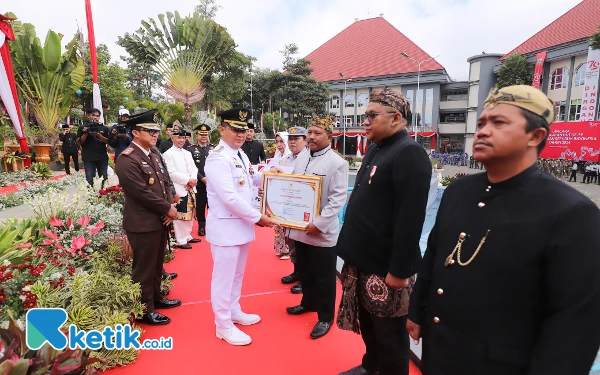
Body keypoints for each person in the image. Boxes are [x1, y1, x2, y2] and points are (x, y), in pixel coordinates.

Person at [407, 85, 600, 375]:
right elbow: (434, 255)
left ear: (535, 136)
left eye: (499, 123)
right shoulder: (459, 190)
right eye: (482, 123)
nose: (483, 131)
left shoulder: (571, 212)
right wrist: (417, 311)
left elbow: (574, 324)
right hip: (441, 351)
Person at [336, 88, 432, 375]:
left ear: (396, 118)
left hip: (386, 267)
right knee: (368, 324)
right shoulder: (378, 147)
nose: (365, 121)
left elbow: (410, 219)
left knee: (390, 334)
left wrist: (400, 271)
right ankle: (371, 367)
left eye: (371, 116)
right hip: (363, 259)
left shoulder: (409, 153)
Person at [204, 107, 276, 346]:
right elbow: (229, 198)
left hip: (241, 226)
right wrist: (258, 218)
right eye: (235, 129)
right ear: (222, 129)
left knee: (237, 274)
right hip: (226, 228)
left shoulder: (240, 155)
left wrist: (269, 173)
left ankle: (234, 311)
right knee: (223, 278)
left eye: (243, 130)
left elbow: (248, 179)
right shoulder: (218, 157)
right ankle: (222, 324)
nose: (241, 134)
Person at [115, 109, 181, 325]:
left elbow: (165, 181)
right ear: (135, 133)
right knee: (144, 268)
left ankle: (156, 298)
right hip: (143, 222)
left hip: (159, 219)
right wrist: (167, 209)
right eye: (149, 131)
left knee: (156, 264)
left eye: (156, 131)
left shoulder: (152, 154)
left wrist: (171, 202)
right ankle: (144, 310)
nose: (155, 135)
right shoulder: (127, 159)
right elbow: (140, 192)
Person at [285, 115, 348, 339]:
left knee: (323, 277)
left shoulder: (337, 163)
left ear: (329, 137)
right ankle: (307, 303)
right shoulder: (301, 158)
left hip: (321, 233)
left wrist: (319, 224)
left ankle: (325, 317)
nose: (311, 137)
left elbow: (337, 200)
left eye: (317, 133)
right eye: (310, 132)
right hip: (300, 228)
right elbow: (293, 188)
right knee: (306, 272)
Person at [276, 127, 309, 293]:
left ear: (305, 140)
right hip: (286, 208)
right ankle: (297, 272)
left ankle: (305, 279)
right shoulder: (286, 158)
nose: (292, 142)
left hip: (301, 209)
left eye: (297, 138)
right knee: (290, 241)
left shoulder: (309, 158)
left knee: (302, 244)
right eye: (290, 139)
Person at [163, 128, 201, 249]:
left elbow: (194, 168)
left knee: (190, 212)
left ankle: (187, 235)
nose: (181, 140)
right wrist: (187, 180)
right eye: (179, 137)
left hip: (190, 187)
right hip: (179, 188)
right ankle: (180, 239)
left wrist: (193, 179)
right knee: (180, 214)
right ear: (172, 137)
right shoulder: (168, 154)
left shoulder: (187, 152)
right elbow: (171, 173)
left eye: (183, 138)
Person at [187, 121, 212, 236]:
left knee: (213, 206)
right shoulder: (191, 150)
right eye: (201, 134)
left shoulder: (214, 149)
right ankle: (201, 227)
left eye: (205, 134)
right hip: (199, 183)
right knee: (200, 207)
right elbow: (191, 167)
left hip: (213, 183)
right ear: (196, 136)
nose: (203, 137)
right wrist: (202, 178)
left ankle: (213, 227)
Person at [77, 108, 110, 187]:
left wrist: (99, 135)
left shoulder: (104, 128)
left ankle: (104, 196)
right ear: (88, 116)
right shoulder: (82, 128)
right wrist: (85, 133)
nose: (95, 117)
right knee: (89, 179)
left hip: (102, 157)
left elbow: (109, 142)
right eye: (93, 115)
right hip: (88, 158)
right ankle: (91, 196)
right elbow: (78, 142)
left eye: (97, 116)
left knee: (104, 178)